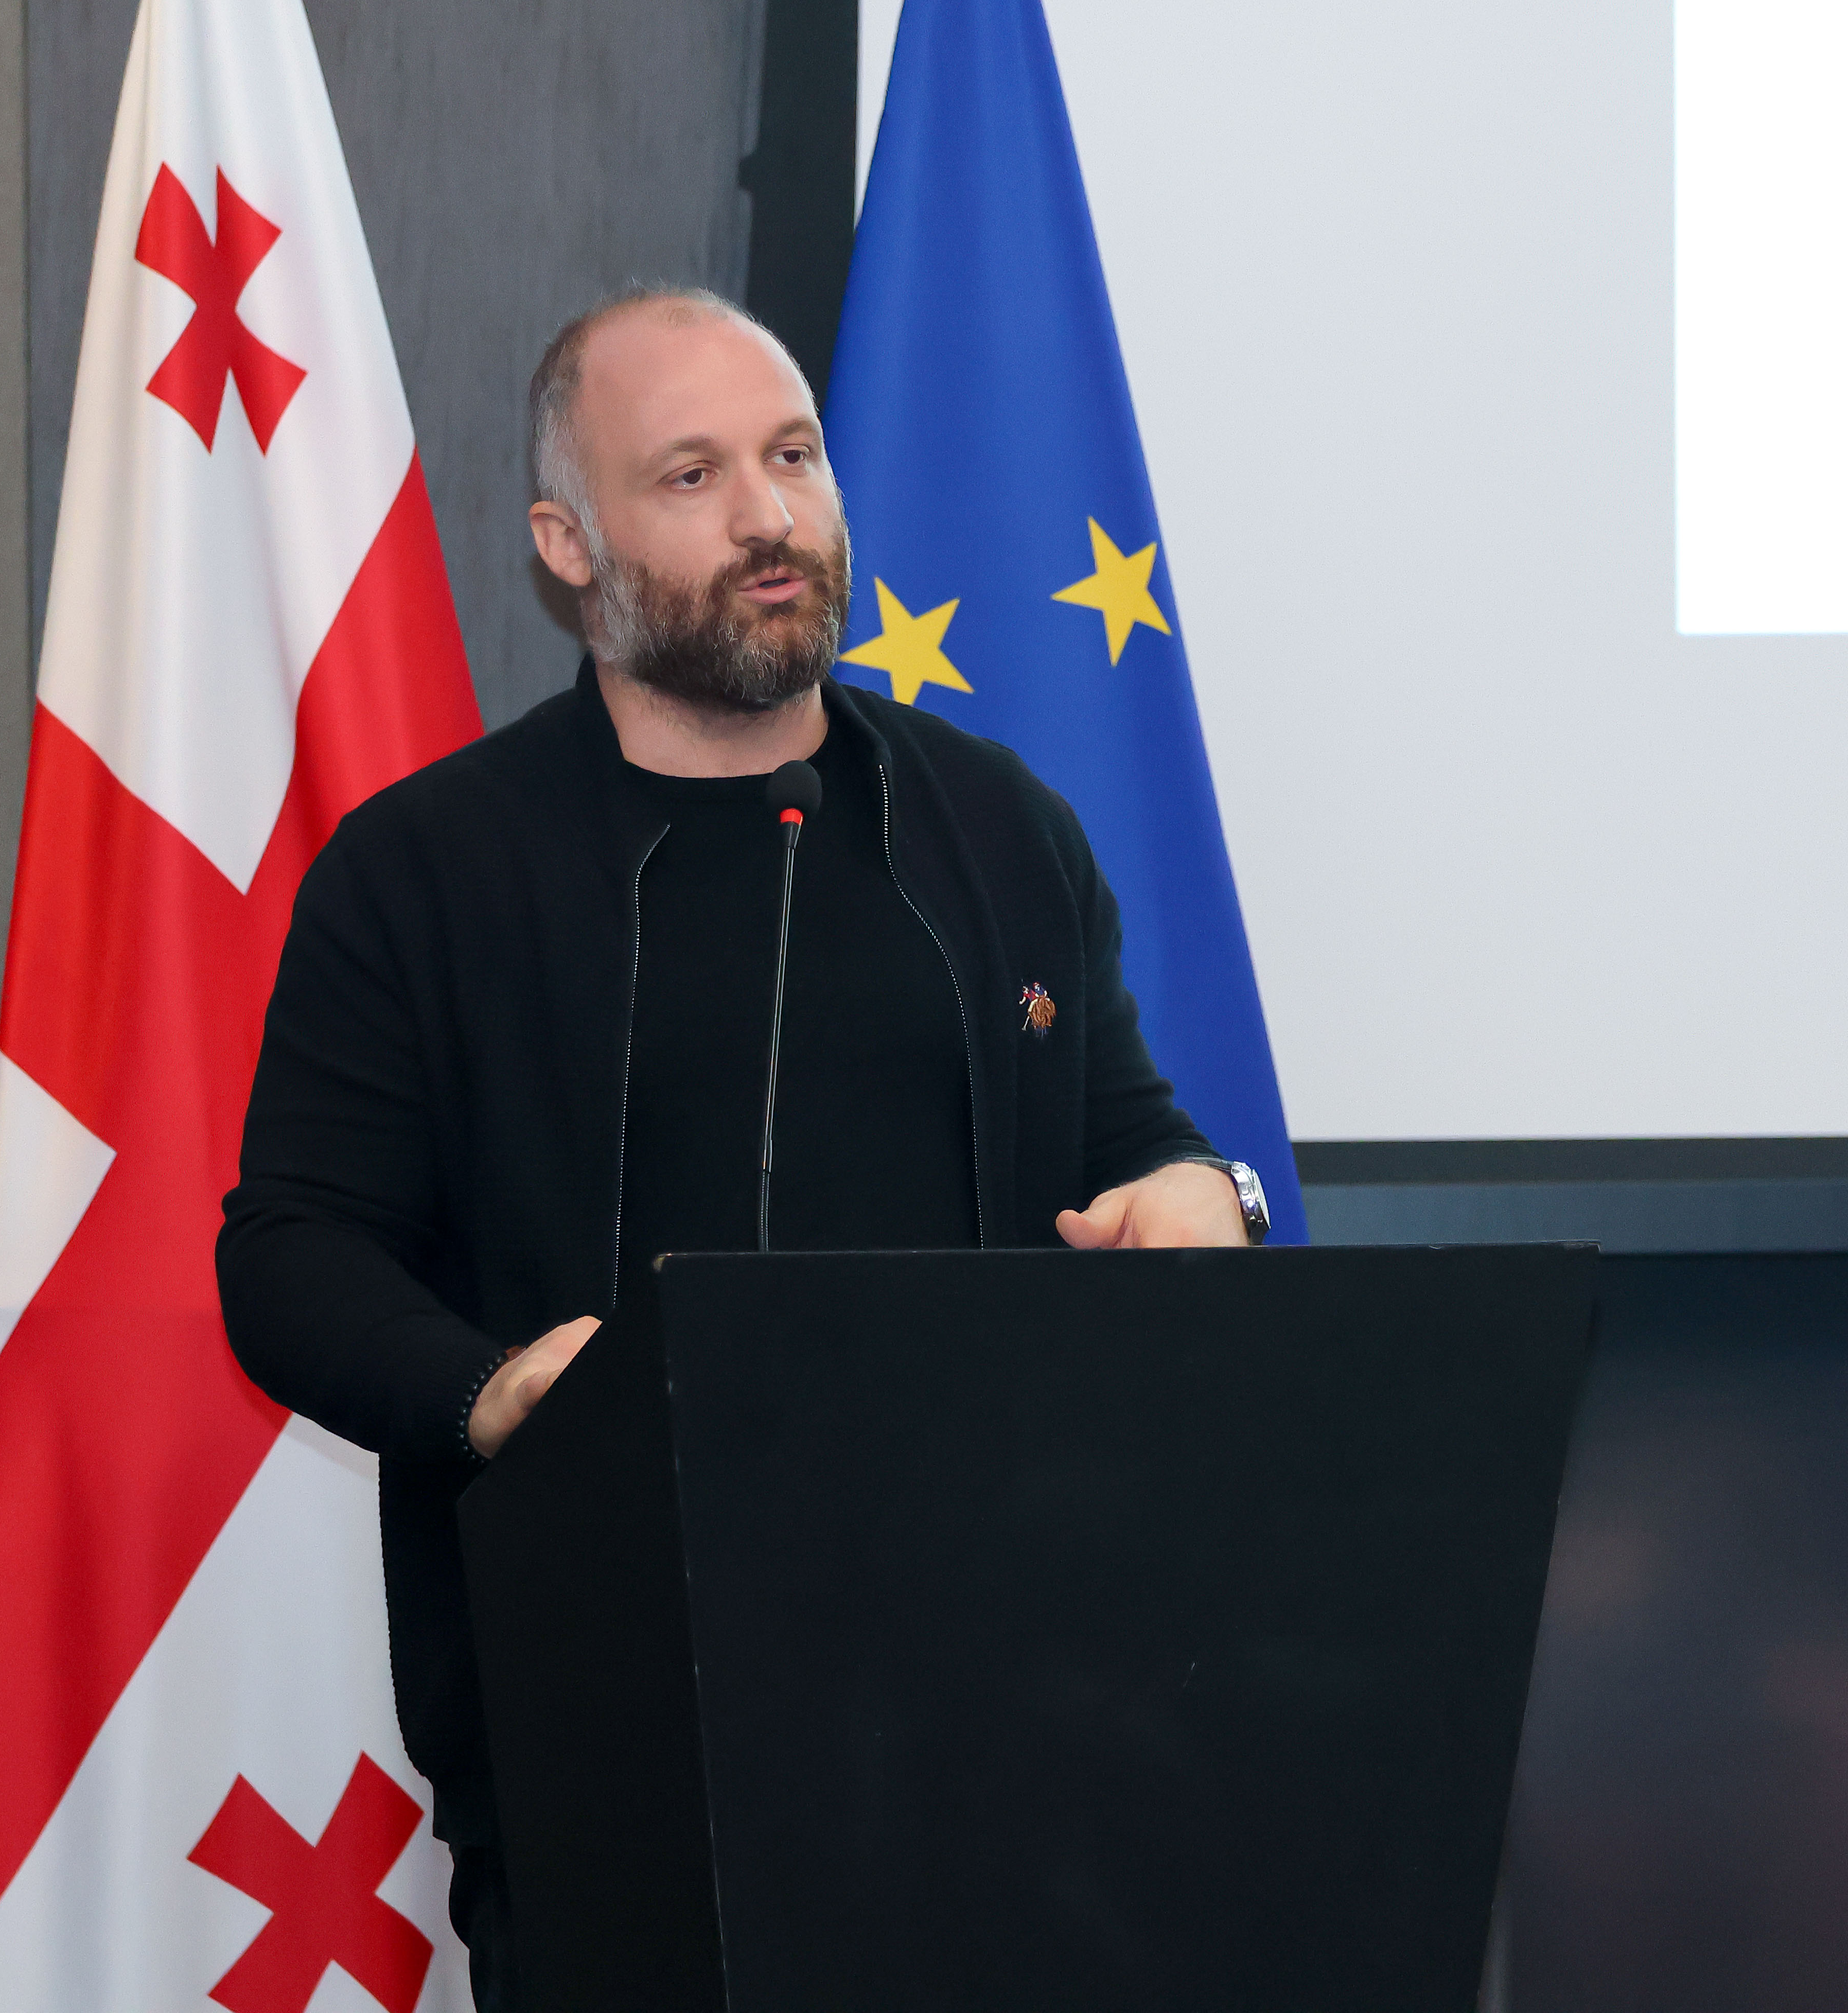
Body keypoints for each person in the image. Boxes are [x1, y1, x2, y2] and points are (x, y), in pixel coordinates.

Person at [214, 285, 1261, 2011]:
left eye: (793, 458)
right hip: (609, 1737)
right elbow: (293, 1251)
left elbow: (1129, 1135)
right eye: (692, 476)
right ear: (568, 544)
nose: (771, 517)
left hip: (1013, 1733)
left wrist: (1200, 1194)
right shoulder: (428, 873)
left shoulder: (999, 827)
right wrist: (490, 1395)